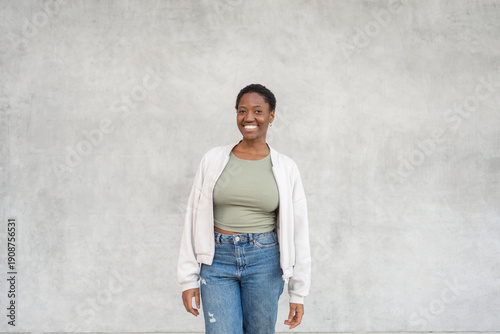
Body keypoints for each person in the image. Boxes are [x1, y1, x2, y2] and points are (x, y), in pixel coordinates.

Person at [177, 83, 311, 333]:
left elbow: (299, 232)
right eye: (242, 111)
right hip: (217, 260)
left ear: (271, 116)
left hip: (264, 260)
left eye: (258, 111)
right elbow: (192, 218)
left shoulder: (286, 167)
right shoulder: (213, 160)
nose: (249, 117)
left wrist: (298, 293)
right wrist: (188, 279)